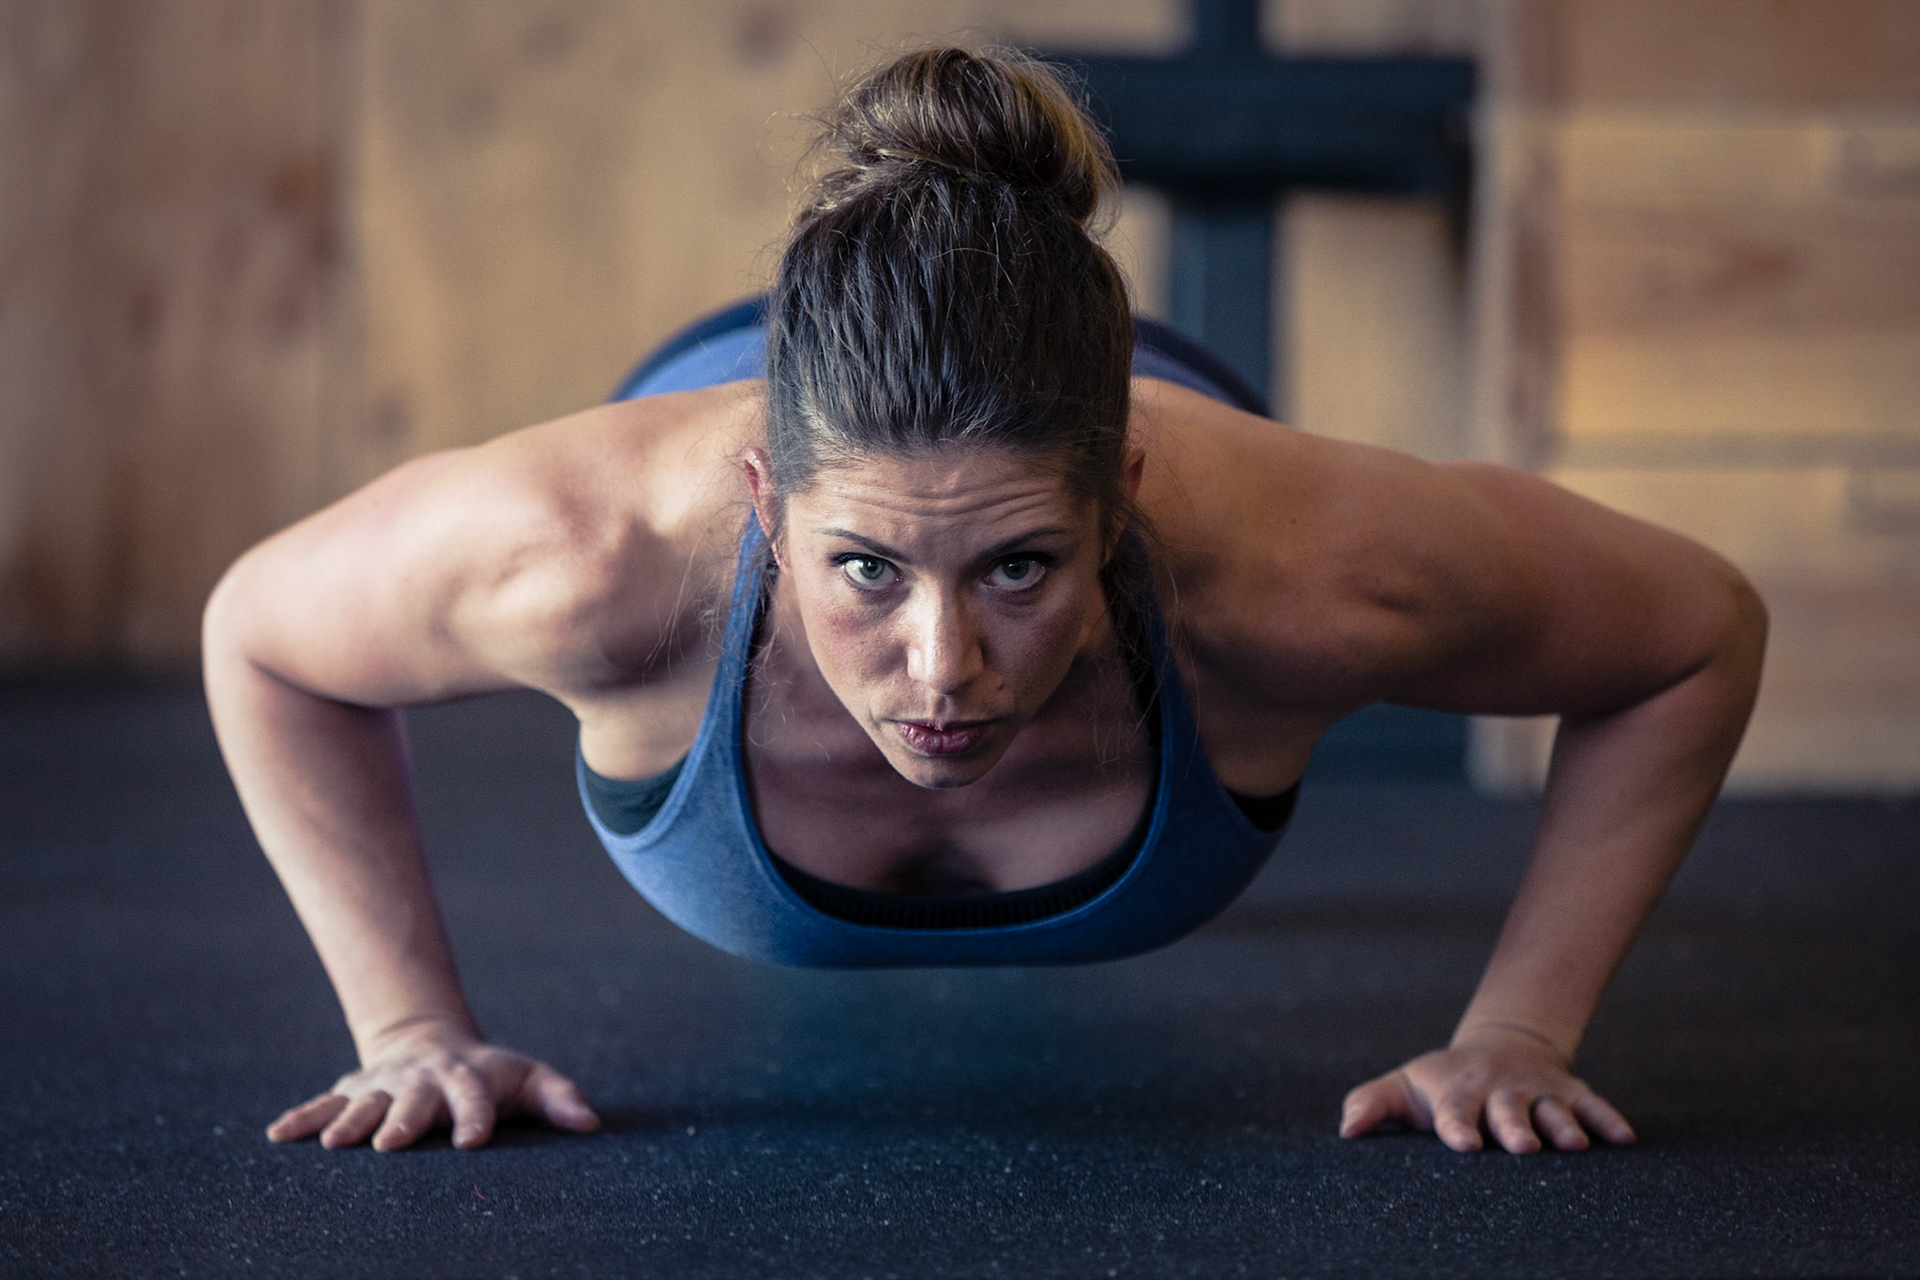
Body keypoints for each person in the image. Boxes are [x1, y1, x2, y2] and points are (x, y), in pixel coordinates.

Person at [201, 47, 1766, 1158]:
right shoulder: (590, 554)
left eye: (1020, 569)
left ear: (1119, 502)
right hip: (774, 379)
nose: (939, 671)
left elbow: (1695, 631)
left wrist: (1521, 1033)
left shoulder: (1312, 570)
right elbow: (262, 639)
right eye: (864, 575)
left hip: (1092, 385)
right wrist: (409, 1029)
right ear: (766, 509)